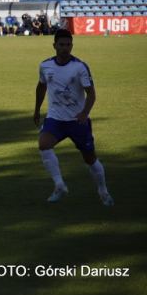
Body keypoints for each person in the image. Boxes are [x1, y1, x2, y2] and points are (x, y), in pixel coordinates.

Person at [33, 29, 113, 206]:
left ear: (72, 46)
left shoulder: (79, 67)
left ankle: (103, 191)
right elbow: (41, 87)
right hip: (55, 119)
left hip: (78, 121)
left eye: (68, 45)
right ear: (54, 45)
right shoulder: (45, 66)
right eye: (61, 45)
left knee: (90, 159)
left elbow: (90, 93)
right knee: (44, 144)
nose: (65, 48)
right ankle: (60, 186)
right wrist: (37, 109)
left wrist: (85, 112)